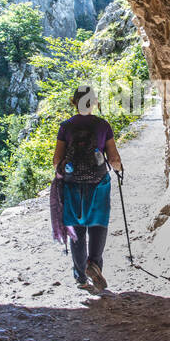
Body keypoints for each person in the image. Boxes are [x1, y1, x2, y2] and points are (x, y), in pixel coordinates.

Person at [52, 85, 123, 290]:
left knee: (77, 228)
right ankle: (94, 264)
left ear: (74, 103)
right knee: (98, 224)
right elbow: (114, 158)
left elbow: (57, 159)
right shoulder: (103, 126)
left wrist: (63, 173)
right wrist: (118, 169)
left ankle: (81, 276)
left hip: (72, 184)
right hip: (99, 183)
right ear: (94, 103)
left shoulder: (66, 126)